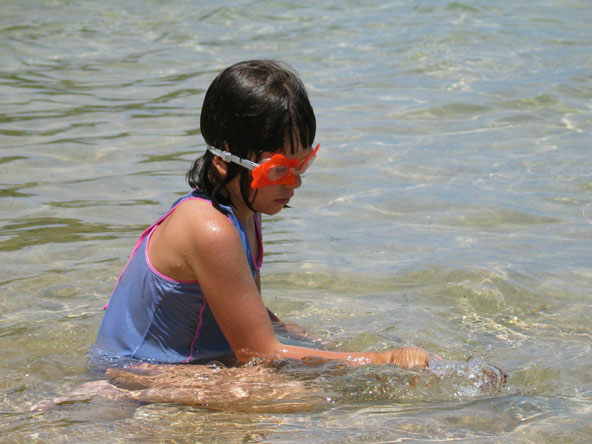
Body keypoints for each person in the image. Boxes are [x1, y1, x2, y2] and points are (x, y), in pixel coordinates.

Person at [95, 59, 430, 369]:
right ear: (222, 162)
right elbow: (259, 353)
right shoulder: (208, 228)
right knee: (289, 394)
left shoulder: (243, 209)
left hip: (174, 367)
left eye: (303, 165)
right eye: (278, 171)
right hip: (132, 375)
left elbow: (241, 309)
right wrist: (385, 359)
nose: (295, 183)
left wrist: (282, 328)